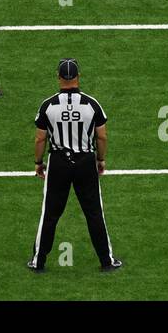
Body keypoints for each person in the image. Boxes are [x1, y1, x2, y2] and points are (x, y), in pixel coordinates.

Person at [29, 59, 121, 273]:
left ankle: (38, 261)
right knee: (94, 212)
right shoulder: (92, 104)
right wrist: (101, 159)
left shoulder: (48, 105)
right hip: (85, 161)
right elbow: (102, 136)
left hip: (59, 162)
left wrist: (38, 163)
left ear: (59, 77)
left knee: (50, 213)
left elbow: (40, 139)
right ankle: (106, 261)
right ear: (78, 76)